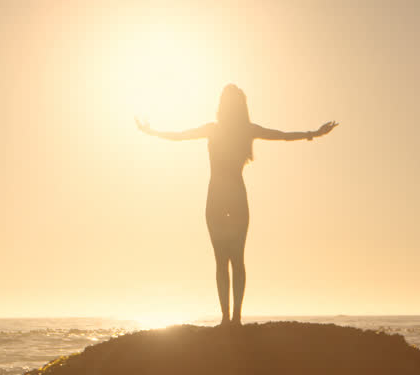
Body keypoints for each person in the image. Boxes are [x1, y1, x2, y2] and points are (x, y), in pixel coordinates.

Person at [137, 84, 337, 326]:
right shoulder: (230, 129)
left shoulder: (232, 130)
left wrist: (313, 133)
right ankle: (230, 319)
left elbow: (281, 135)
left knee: (229, 260)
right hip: (224, 198)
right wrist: (152, 132)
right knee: (228, 260)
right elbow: (181, 135)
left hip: (222, 197)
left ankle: (232, 319)